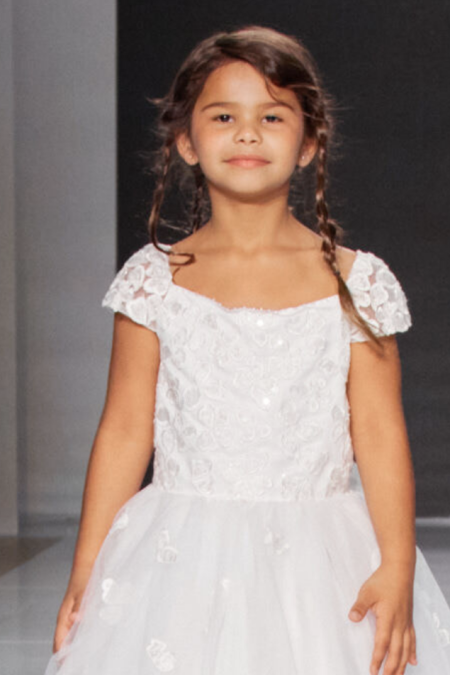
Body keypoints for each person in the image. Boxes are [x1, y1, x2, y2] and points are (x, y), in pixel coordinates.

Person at [44, 25, 450, 675]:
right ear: (186, 140)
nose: (248, 134)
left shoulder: (357, 283)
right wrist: (86, 569)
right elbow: (124, 429)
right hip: (178, 559)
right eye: (224, 116)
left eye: (273, 116)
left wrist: (397, 564)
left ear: (310, 142)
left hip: (321, 562)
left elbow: (379, 431)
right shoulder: (154, 280)